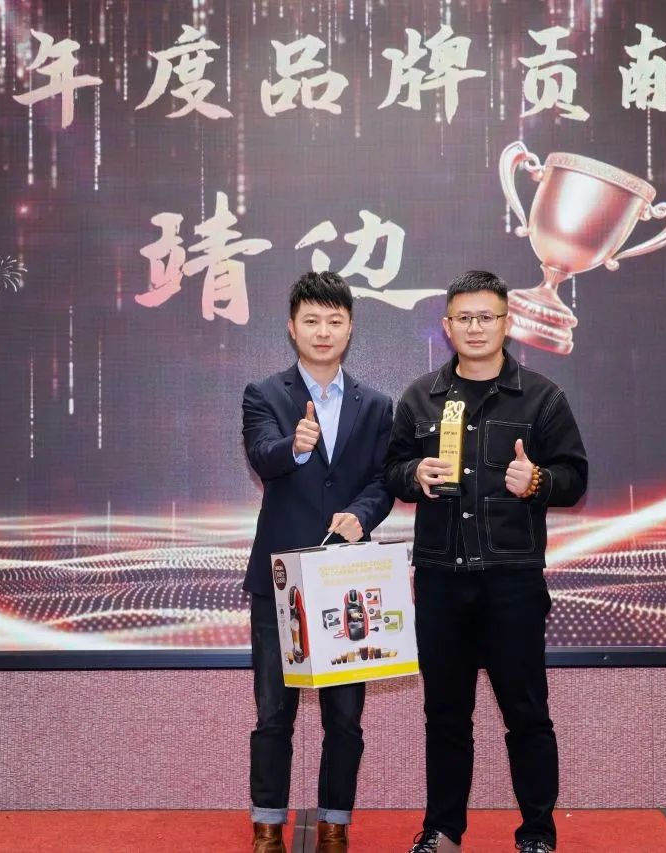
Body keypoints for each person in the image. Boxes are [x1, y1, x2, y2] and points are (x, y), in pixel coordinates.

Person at [385, 271, 588, 853]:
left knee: (527, 712)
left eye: (487, 317)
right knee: (445, 714)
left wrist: (539, 480)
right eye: (464, 318)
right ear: (447, 327)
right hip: (441, 580)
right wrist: (414, 474)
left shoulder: (542, 397)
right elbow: (392, 470)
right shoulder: (419, 398)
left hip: (512, 581)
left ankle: (537, 834)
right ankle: (443, 831)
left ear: (507, 323)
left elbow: (575, 477)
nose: (475, 328)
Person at [242, 271, 396, 853]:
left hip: (346, 578)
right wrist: (295, 446)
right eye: (311, 320)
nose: (323, 331)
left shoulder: (376, 405)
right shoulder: (265, 394)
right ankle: (267, 827)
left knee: (346, 717)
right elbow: (263, 455)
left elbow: (384, 480)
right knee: (273, 713)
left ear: (350, 328)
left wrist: (361, 514)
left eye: (334, 320)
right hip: (279, 578)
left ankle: (335, 825)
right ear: (292, 327)